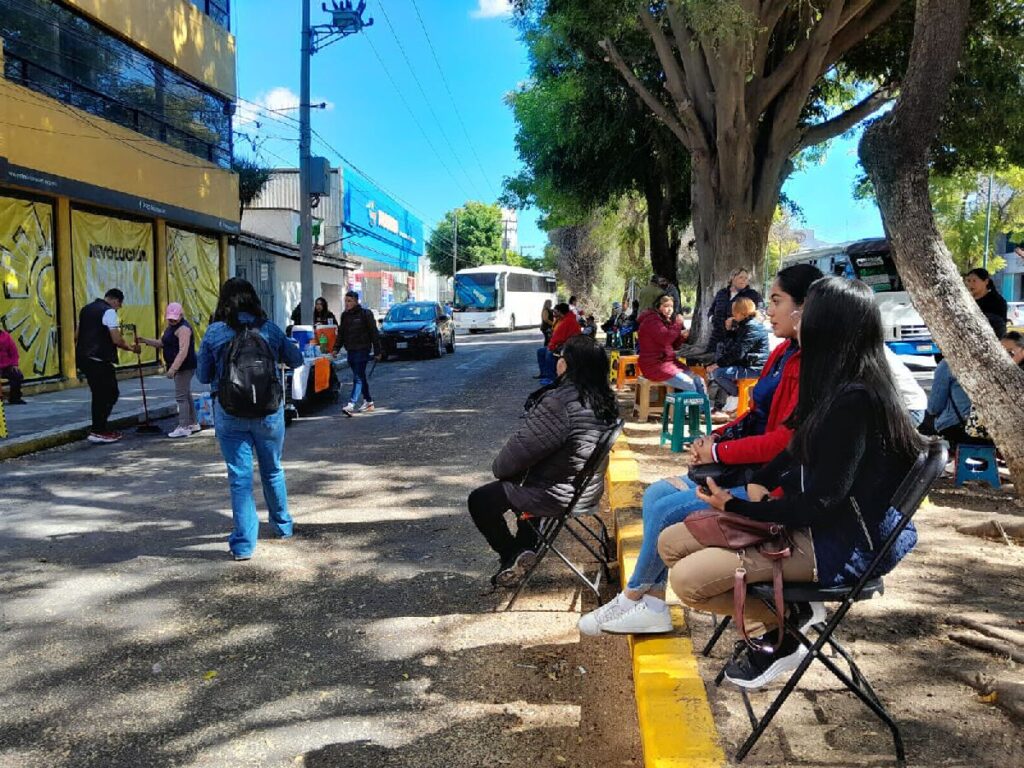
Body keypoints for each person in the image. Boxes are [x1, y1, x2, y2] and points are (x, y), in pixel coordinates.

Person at [658, 276, 927, 688]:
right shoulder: (832, 384)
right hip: (808, 524)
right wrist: (759, 483)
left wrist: (737, 508)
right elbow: (793, 446)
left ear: (827, 326)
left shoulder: (857, 400)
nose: (794, 319)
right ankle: (790, 619)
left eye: (804, 312)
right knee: (670, 543)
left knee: (688, 581)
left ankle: (787, 626)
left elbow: (822, 503)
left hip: (836, 543)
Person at [578, 264, 822, 636]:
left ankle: (635, 596)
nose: (767, 309)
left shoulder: (809, 365)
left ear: (806, 308)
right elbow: (756, 415)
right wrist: (715, 441)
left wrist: (720, 454)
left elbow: (783, 441)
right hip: (750, 470)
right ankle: (652, 600)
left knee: (667, 509)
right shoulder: (784, 353)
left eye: (776, 301)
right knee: (657, 493)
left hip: (765, 485)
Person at [469, 335, 618, 587]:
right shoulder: (606, 399)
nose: (556, 362)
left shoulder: (559, 403)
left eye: (560, 358)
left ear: (569, 365)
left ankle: (511, 554)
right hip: (585, 490)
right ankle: (524, 548)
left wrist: (502, 470)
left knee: (481, 500)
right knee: (530, 480)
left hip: (557, 495)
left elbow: (512, 458)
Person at [197, 277, 304, 561]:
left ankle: (244, 545)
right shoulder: (268, 328)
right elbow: (296, 360)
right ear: (254, 299)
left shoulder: (214, 332)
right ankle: (282, 527)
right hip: (268, 412)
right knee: (272, 470)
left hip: (230, 413)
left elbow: (203, 376)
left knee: (240, 478)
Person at [74, 288, 140, 444]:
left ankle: (99, 428)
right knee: (110, 393)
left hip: (84, 358)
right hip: (99, 359)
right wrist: (131, 348)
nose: (119, 308)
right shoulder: (109, 312)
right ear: (116, 300)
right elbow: (116, 339)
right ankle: (99, 430)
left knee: (99, 394)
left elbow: (76, 335)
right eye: (120, 304)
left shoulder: (86, 309)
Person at [138, 302, 199, 438]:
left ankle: (183, 426)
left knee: (181, 397)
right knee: (186, 394)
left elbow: (183, 351)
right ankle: (193, 423)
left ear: (181, 315)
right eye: (170, 318)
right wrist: (145, 340)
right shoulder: (170, 328)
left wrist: (173, 369)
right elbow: (162, 343)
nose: (172, 320)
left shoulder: (183, 329)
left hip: (184, 367)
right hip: (180, 366)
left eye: (174, 318)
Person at [707, 296, 769, 412]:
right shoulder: (745, 325)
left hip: (754, 368)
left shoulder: (752, 327)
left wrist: (718, 365)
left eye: (734, 311)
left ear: (741, 313)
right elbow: (731, 347)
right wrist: (729, 330)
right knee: (714, 371)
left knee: (718, 373)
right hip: (747, 364)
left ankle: (737, 396)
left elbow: (738, 352)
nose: (732, 314)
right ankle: (735, 397)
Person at [690, 268, 763, 364]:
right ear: (732, 278)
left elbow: (760, 314)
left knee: (724, 364)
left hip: (735, 338)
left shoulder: (753, 295)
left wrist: (737, 322)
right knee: (708, 363)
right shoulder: (721, 293)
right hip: (716, 336)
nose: (744, 280)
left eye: (746, 278)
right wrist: (712, 319)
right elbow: (711, 310)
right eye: (741, 277)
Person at [636, 294, 703, 393]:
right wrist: (678, 323)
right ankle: (690, 408)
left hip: (669, 363)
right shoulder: (651, 320)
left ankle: (703, 408)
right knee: (689, 383)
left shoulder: (664, 320)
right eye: (665, 306)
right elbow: (666, 339)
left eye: (671, 306)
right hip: (654, 365)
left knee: (698, 380)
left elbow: (672, 345)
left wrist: (681, 337)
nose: (669, 309)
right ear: (658, 307)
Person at [331, 290, 381, 415]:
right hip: (351, 350)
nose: (347, 304)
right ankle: (368, 401)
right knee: (361, 376)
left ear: (356, 301)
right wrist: (336, 348)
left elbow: (374, 333)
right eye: (345, 301)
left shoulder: (366, 314)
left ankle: (351, 404)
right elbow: (341, 333)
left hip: (363, 349)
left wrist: (378, 351)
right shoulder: (345, 316)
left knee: (358, 377)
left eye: (349, 301)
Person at [539, 302, 581, 385]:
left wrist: (551, 346)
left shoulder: (567, 321)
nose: (554, 313)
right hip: (566, 343)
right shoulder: (563, 319)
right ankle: (545, 374)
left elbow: (559, 337)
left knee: (549, 353)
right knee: (540, 351)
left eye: (556, 311)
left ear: (560, 312)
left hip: (568, 345)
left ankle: (551, 378)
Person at [965, 267, 1008, 338]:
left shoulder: (997, 302)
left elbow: (1000, 328)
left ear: (986, 281)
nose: (970, 284)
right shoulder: (966, 300)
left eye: (974, 281)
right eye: (968, 281)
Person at [0, 328, 26, 404]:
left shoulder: (6, 336)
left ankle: (15, 398)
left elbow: (14, 352)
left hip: (6, 366)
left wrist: (14, 365)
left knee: (17, 374)